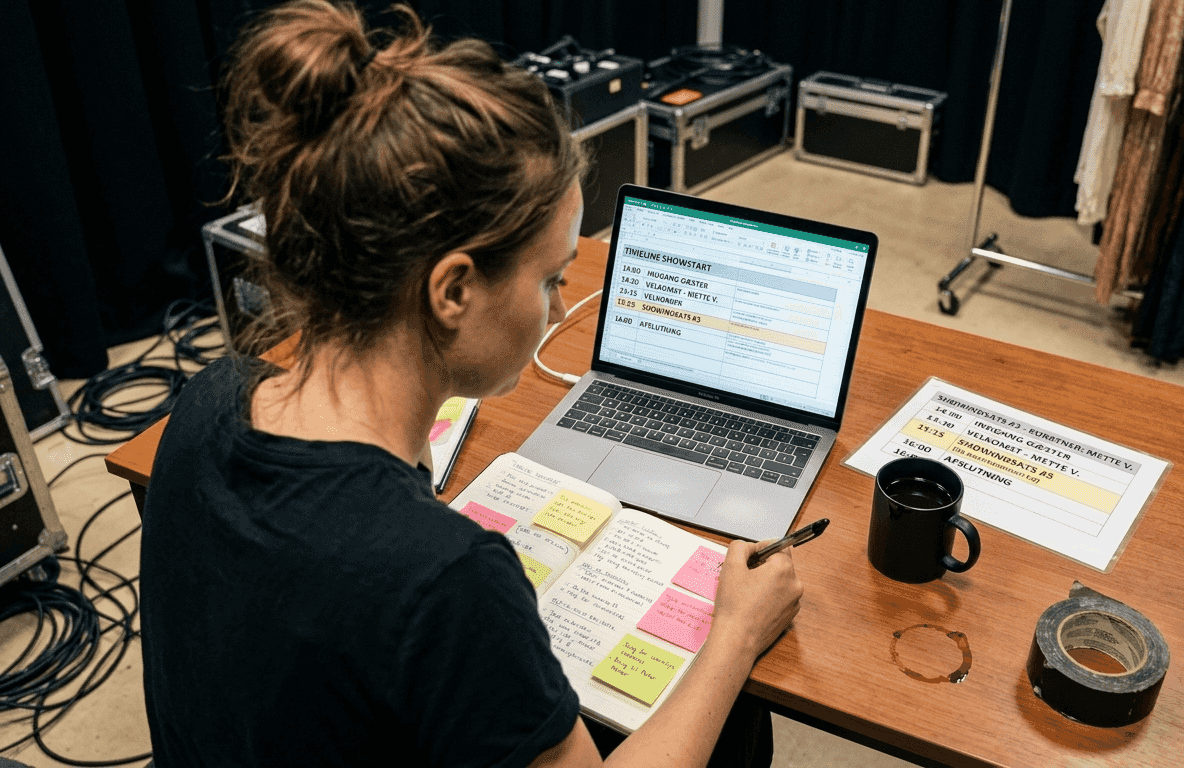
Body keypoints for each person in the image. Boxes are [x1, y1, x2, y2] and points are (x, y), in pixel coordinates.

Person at [137, 2, 804, 766]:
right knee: (735, 723)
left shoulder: (210, 399)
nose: (559, 308)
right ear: (452, 290)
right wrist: (737, 635)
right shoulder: (449, 578)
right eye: (552, 278)